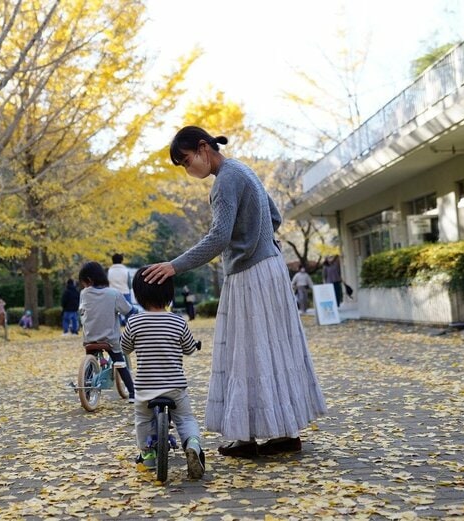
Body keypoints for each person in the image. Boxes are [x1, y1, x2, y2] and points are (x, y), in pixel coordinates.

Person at [143, 126, 326, 458]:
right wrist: (258, 240)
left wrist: (174, 266)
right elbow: (275, 215)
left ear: (203, 148)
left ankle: (249, 436)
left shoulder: (225, 179)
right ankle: (283, 432)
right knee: (271, 349)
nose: (188, 170)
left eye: (186, 161)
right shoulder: (244, 170)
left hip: (250, 273)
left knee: (247, 352)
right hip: (270, 268)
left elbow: (218, 238)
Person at [122, 266, 205, 479]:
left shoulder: (134, 322)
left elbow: (125, 348)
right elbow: (188, 349)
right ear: (169, 294)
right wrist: (193, 346)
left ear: (139, 296)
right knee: (185, 419)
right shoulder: (178, 321)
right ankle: (193, 444)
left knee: (141, 419)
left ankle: (148, 455)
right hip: (175, 387)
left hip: (145, 388)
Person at [77, 261, 136, 403]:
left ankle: (87, 390)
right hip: (110, 339)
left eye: (83, 282)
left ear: (89, 280)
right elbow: (128, 310)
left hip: (90, 338)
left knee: (90, 363)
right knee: (120, 363)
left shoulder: (84, 294)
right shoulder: (113, 294)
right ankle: (133, 393)